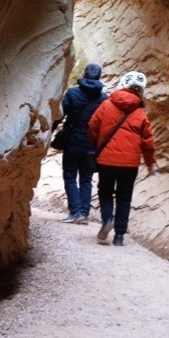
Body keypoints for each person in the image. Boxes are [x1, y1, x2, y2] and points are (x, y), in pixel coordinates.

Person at [88, 70, 157, 246]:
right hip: (130, 164)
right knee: (124, 197)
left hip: (107, 160)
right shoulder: (140, 114)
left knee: (105, 191)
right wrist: (150, 164)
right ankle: (119, 236)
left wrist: (98, 146)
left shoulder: (106, 105)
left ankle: (107, 220)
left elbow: (92, 127)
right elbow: (148, 142)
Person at [54, 63, 107, 224]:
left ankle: (75, 212)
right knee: (86, 179)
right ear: (99, 77)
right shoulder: (104, 99)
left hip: (73, 142)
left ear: (84, 75)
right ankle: (84, 213)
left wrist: (50, 131)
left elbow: (60, 115)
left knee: (70, 176)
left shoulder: (72, 93)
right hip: (92, 144)